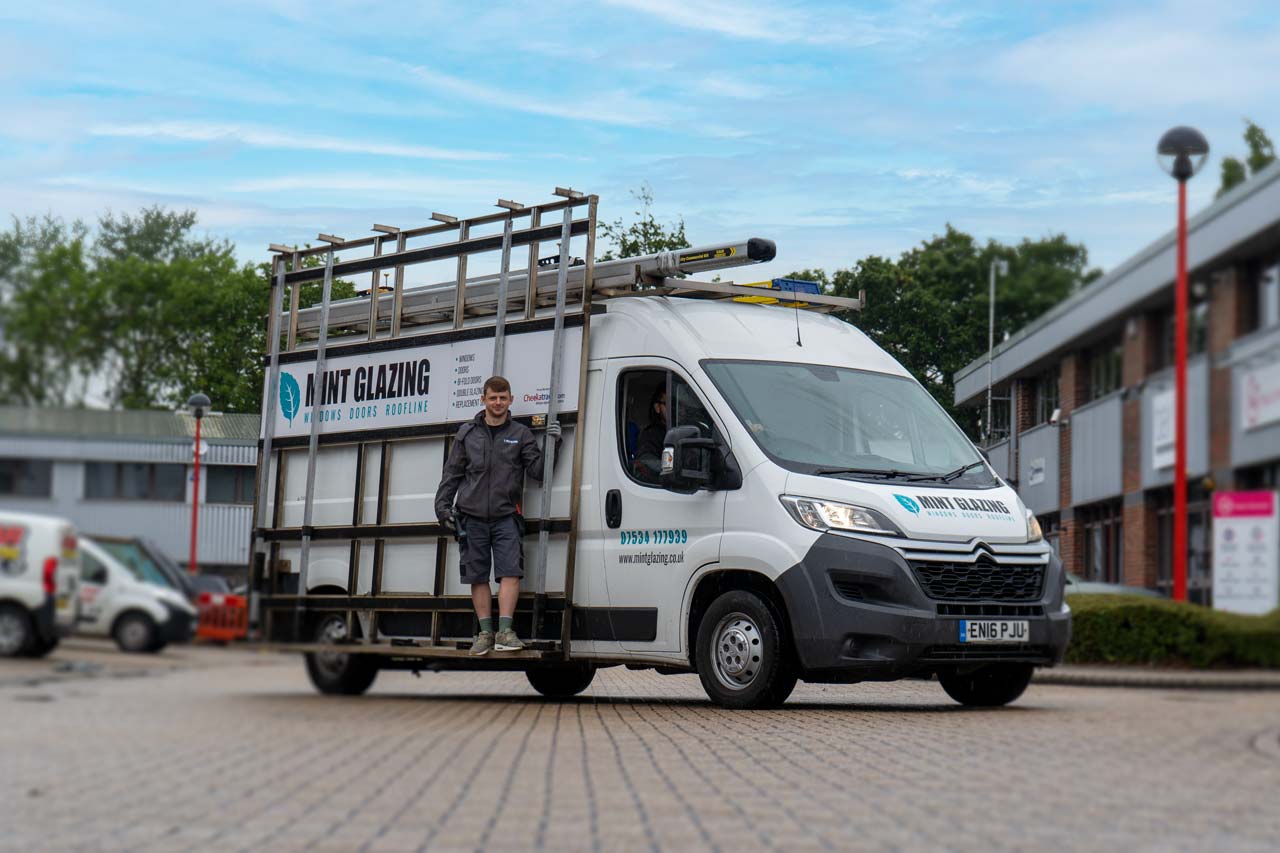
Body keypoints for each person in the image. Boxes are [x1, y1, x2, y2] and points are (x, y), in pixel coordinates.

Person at [436, 376, 560, 655]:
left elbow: (539, 472)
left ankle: (505, 631)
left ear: (511, 400)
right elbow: (452, 474)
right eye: (493, 398)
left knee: (510, 573)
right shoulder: (467, 434)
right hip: (471, 516)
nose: (498, 403)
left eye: (503, 398)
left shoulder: (521, 433)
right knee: (477, 577)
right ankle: (485, 634)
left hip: (506, 516)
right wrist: (442, 507)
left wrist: (553, 443)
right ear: (483, 399)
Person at [633, 385, 667, 483]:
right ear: (657, 407)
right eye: (670, 403)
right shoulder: (651, 434)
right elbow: (646, 459)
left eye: (681, 403)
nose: (678, 408)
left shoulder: (694, 429)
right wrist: (673, 469)